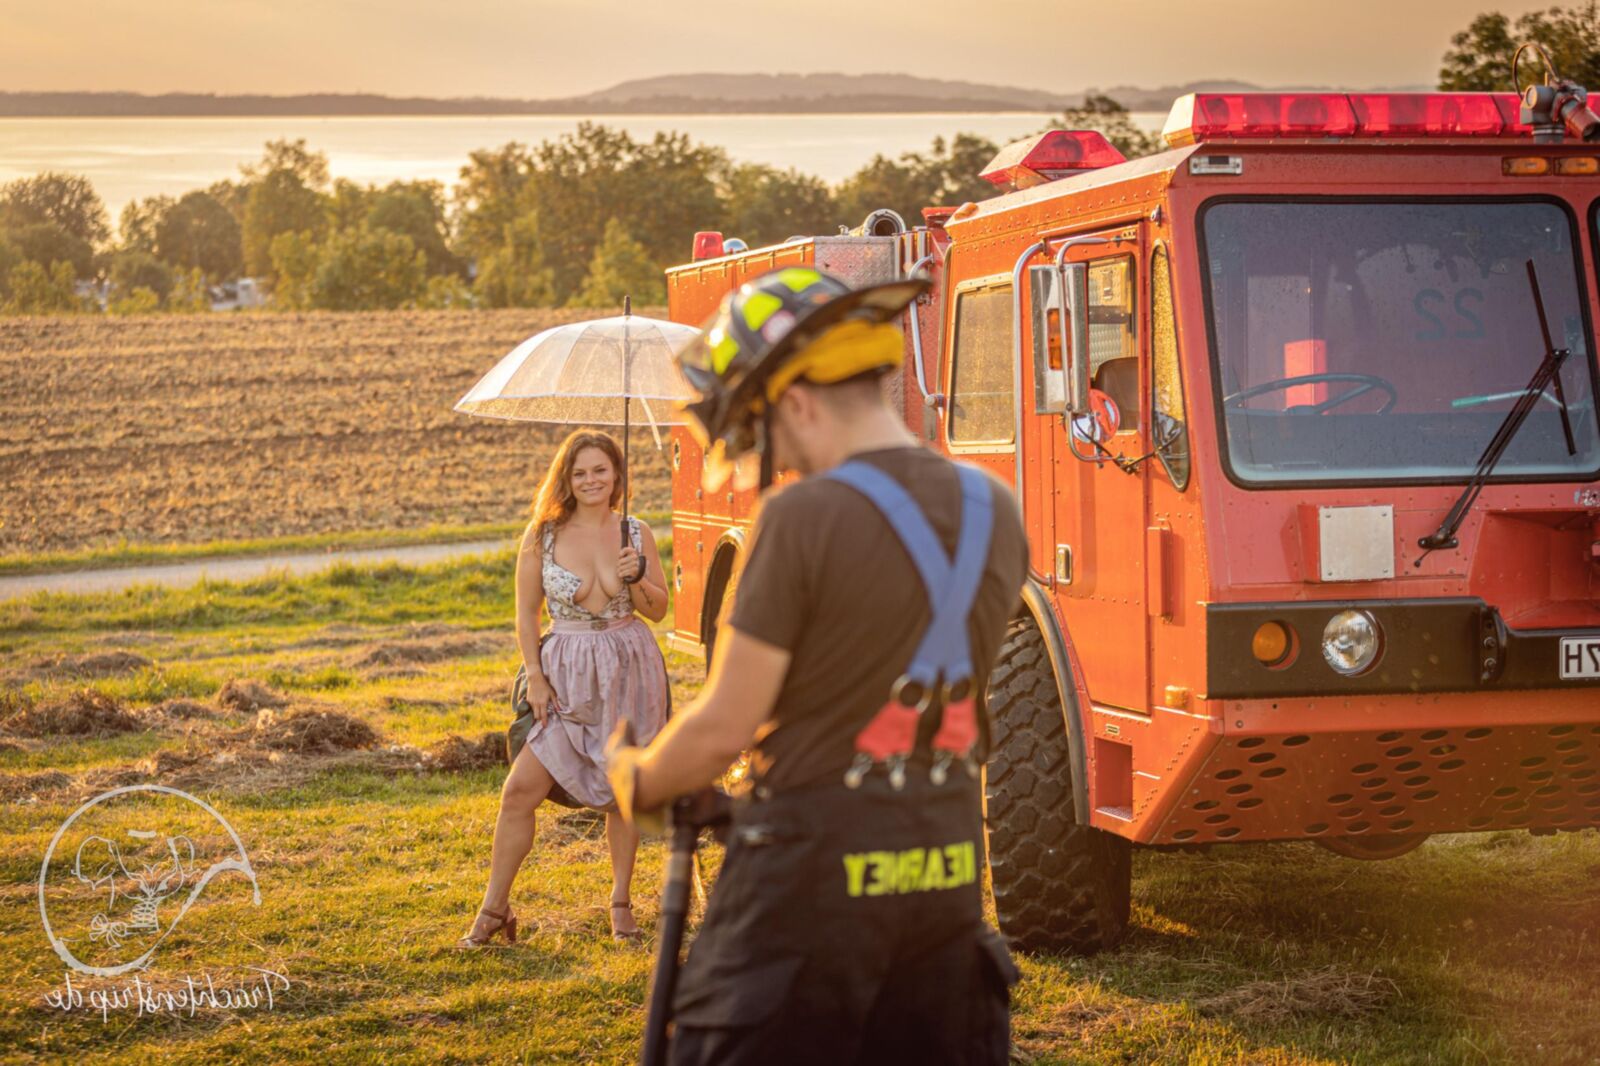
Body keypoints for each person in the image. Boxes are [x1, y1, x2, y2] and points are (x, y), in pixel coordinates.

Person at [607, 267, 1030, 1063]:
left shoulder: (802, 516)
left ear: (796, 400)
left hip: (805, 901)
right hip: (942, 887)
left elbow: (725, 725)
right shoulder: (992, 507)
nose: (777, 458)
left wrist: (638, 778)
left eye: (764, 432)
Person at [459, 429, 670, 948]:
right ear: (566, 479)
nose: (591, 480)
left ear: (617, 475)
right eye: (580, 473)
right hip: (565, 676)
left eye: (601, 470)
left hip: (629, 668)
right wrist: (534, 674)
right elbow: (526, 615)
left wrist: (638, 575)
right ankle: (494, 910)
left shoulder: (636, 532)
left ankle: (621, 906)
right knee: (518, 791)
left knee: (623, 795)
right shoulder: (542, 535)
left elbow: (659, 609)